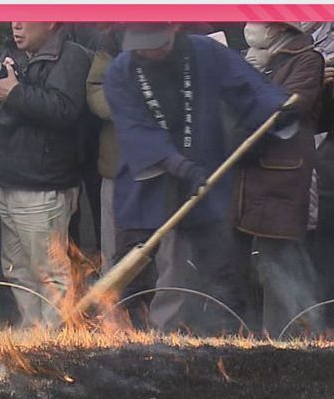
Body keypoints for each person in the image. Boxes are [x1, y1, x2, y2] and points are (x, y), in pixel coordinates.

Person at [104, 24, 296, 335]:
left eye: (156, 43)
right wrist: (175, 163)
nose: (148, 51)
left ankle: (235, 338)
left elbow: (247, 87)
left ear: (173, 30)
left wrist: (276, 108)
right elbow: (134, 128)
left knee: (223, 266)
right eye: (140, 44)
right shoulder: (119, 72)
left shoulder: (204, 52)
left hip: (204, 171)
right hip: (147, 177)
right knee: (133, 267)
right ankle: (126, 339)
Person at [0, 21, 91, 326]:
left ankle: (56, 344)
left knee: (50, 271)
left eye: (25, 16)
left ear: (49, 20)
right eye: (12, 16)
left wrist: (15, 92)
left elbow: (65, 110)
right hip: (10, 177)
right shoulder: (15, 54)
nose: (16, 25)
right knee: (17, 268)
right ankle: (33, 337)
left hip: (45, 183)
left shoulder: (71, 56)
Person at [233, 20, 324, 337]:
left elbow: (284, 109)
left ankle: (286, 337)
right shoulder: (248, 57)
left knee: (280, 263)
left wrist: (255, 79)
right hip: (245, 176)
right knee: (241, 265)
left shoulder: (307, 60)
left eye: (260, 22)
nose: (251, 27)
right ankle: (245, 336)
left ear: (278, 28)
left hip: (282, 177)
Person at [86, 25, 123, 271]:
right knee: (114, 250)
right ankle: (115, 307)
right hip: (117, 164)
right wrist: (128, 105)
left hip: (168, 168)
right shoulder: (112, 39)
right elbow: (95, 89)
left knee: (165, 255)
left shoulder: (191, 32)